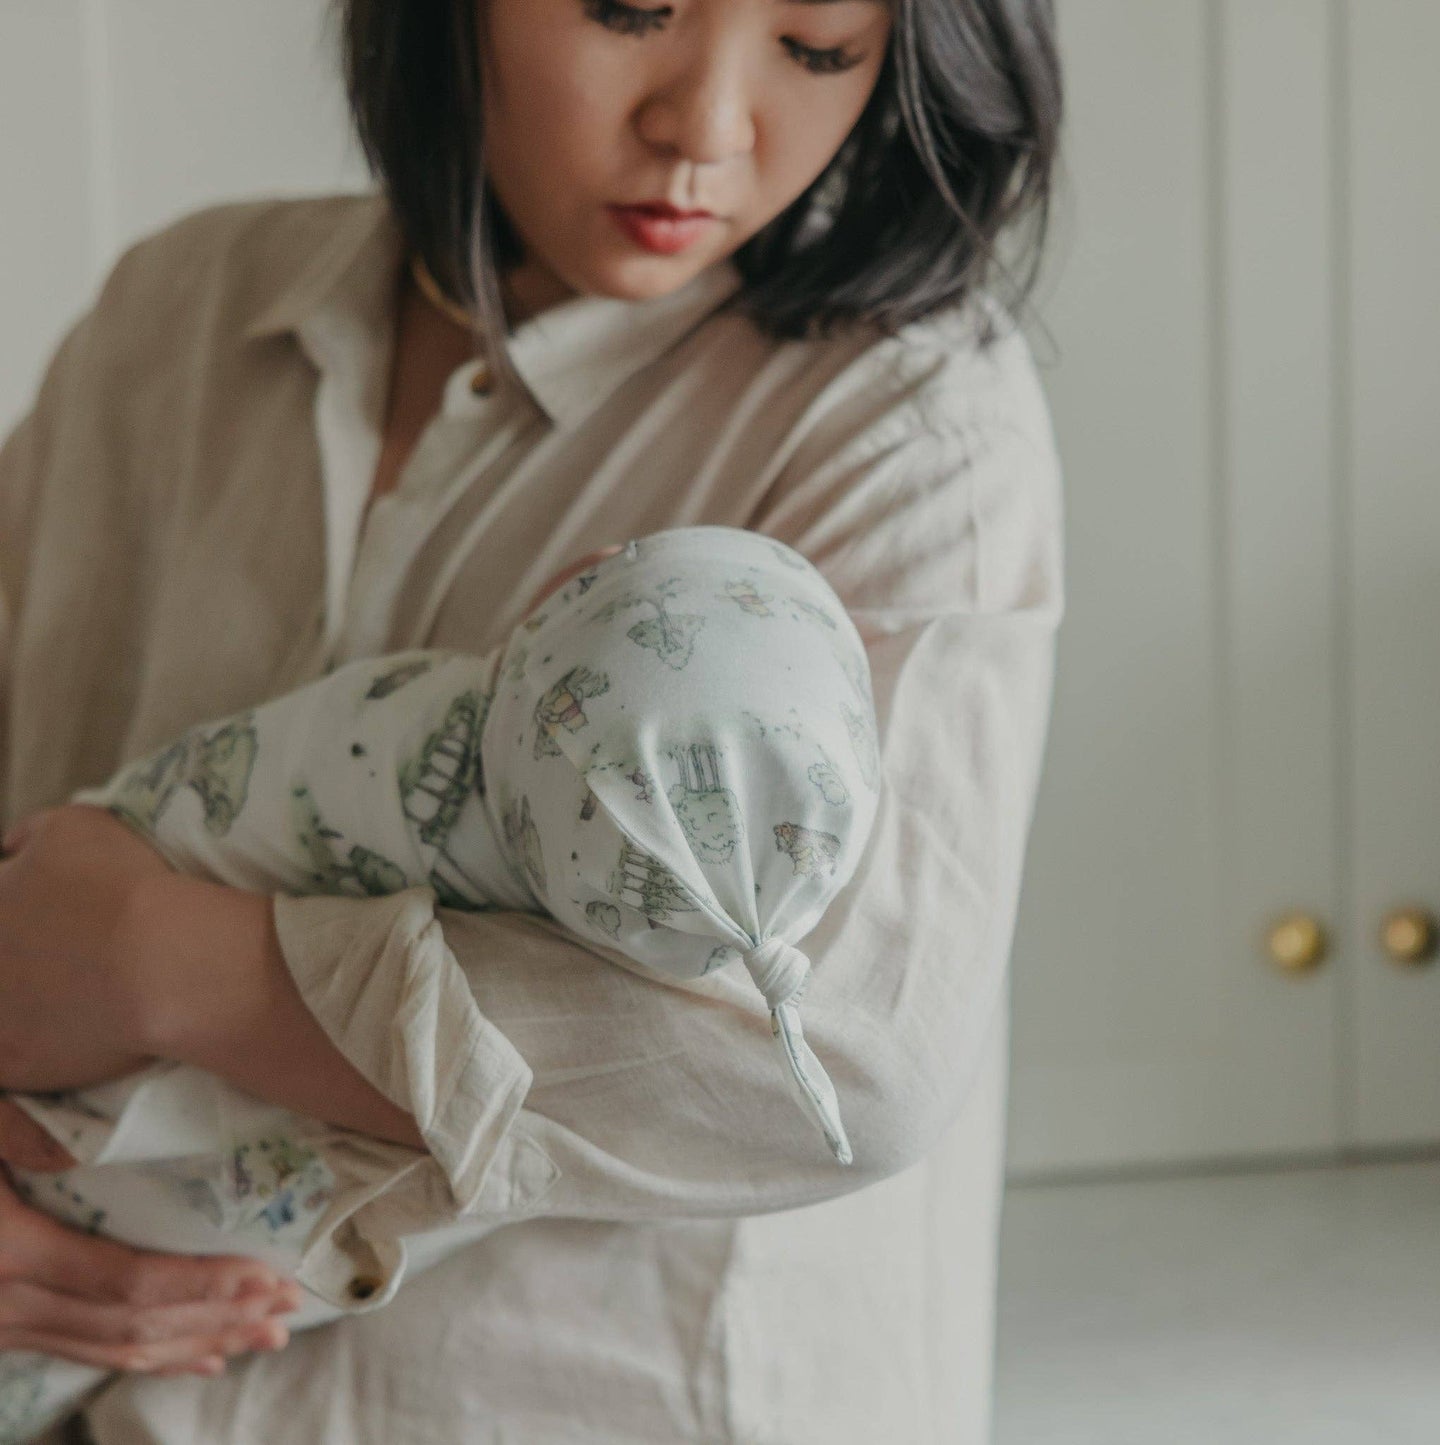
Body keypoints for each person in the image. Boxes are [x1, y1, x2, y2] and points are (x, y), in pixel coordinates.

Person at [0, 0, 1064, 1440]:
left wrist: (150, 963)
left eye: (817, 49)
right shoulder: (174, 313)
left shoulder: (909, 416)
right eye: (631, 9)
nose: (707, 128)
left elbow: (832, 1065)